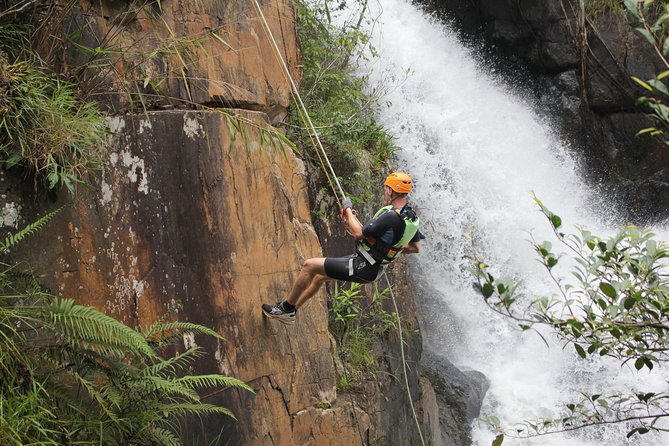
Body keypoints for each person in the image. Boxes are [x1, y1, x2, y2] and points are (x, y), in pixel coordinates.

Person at [262, 172, 425, 325]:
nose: (385, 192)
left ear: (391, 190)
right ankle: (291, 312)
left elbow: (358, 234)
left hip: (363, 267)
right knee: (319, 277)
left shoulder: (391, 216)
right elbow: (415, 247)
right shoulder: (410, 217)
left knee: (309, 266)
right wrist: (388, 248)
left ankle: (286, 308)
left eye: (385, 188)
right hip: (373, 267)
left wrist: (348, 210)